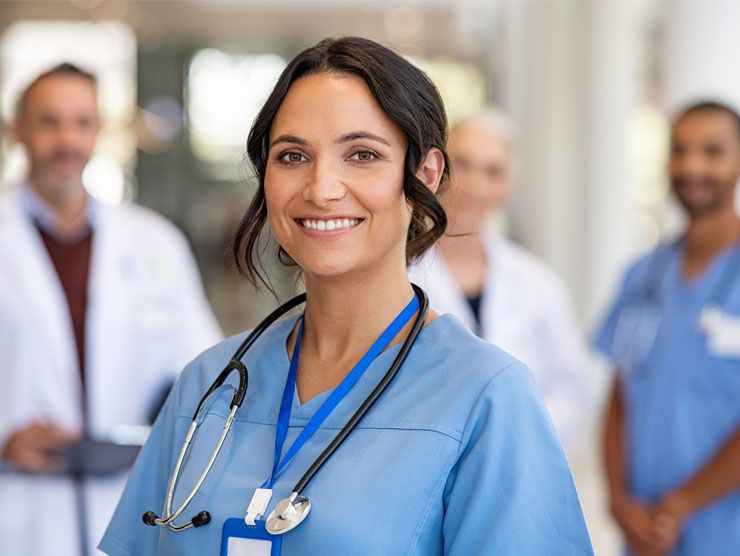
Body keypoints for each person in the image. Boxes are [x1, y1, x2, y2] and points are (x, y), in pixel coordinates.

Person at [99, 37, 592, 555]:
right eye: (292, 156)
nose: (321, 187)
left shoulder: (487, 398)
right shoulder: (209, 385)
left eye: (362, 155)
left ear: (425, 174)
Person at [0, 63, 222, 556]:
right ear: (18, 130)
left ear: (98, 131)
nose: (67, 141)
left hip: (127, 503)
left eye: (81, 123)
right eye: (48, 121)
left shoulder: (154, 243)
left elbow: (203, 369)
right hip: (16, 511)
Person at [594, 101, 740, 555]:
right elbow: (620, 395)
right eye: (680, 150)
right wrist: (618, 500)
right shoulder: (642, 275)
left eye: (712, 152)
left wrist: (679, 506)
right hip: (644, 535)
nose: (692, 166)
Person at [409, 108, 592, 452]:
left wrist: (513, 438)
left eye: (493, 171)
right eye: (463, 164)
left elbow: (572, 393)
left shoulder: (539, 284)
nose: (476, 184)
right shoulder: (400, 276)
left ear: (507, 184)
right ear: (435, 169)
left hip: (522, 460)